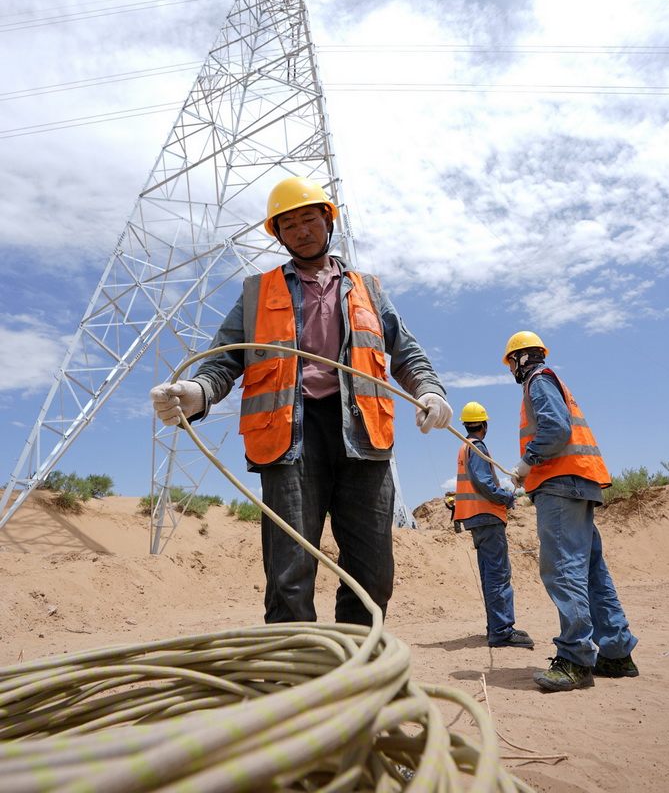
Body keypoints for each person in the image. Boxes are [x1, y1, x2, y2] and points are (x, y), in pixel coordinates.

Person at [150, 176, 454, 627]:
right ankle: (296, 676)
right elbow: (224, 361)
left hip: (362, 436)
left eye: (308, 219)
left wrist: (429, 390)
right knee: (289, 570)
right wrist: (195, 394)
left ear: (328, 221)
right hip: (288, 437)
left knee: (371, 571)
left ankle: (357, 669)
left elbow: (405, 350)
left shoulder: (367, 287)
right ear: (278, 234)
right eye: (287, 224)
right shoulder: (257, 292)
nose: (300, 230)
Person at [504, 330, 638, 692]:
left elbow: (556, 428)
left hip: (561, 485)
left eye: (511, 362)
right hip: (579, 482)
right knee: (592, 571)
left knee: (562, 569)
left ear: (519, 359)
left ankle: (576, 659)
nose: (511, 369)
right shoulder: (550, 380)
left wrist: (527, 462)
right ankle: (616, 652)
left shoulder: (537, 380)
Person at [454, 401, 534, 649]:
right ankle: (501, 630)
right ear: (484, 426)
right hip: (487, 517)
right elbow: (484, 483)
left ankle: (495, 627)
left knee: (491, 575)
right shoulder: (477, 448)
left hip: (477, 518)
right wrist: (507, 498)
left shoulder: (464, 447)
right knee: (498, 574)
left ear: (467, 424)